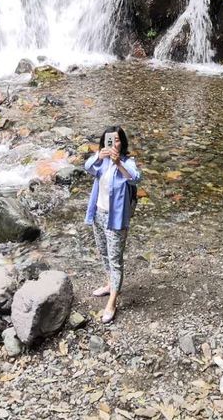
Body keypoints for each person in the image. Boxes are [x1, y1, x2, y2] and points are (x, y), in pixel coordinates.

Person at [83, 125, 141, 324]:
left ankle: (112, 302)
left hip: (116, 219)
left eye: (117, 140)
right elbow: (88, 167)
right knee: (104, 252)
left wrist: (119, 164)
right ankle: (110, 284)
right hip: (98, 214)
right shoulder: (101, 161)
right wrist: (100, 156)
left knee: (115, 259)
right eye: (110, 140)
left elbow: (135, 178)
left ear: (122, 143)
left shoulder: (127, 162)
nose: (114, 143)